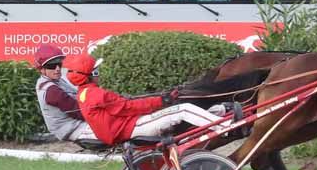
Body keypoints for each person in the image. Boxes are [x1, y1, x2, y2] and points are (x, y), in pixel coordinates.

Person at [63, 53, 229, 146]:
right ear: (89, 76)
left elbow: (124, 105)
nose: (99, 76)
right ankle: (226, 126)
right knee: (183, 109)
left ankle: (221, 111)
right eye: (96, 72)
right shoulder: (96, 95)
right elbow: (129, 106)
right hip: (132, 128)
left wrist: (161, 101)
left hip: (128, 127)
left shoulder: (84, 94)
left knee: (179, 111)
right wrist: (161, 101)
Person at [33, 44, 96, 142]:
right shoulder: (51, 90)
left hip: (76, 123)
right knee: (115, 128)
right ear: (41, 69)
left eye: (59, 64)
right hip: (72, 128)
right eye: (52, 66)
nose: (57, 69)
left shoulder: (55, 79)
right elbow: (77, 110)